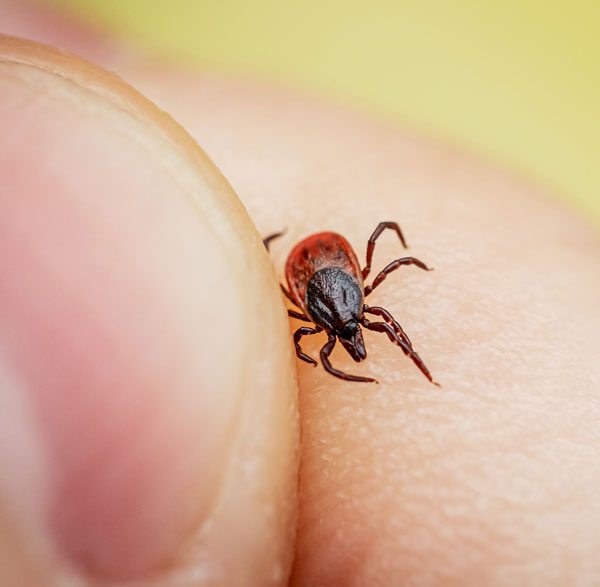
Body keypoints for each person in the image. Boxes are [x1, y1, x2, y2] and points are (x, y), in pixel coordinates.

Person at [1, 3, 600, 586]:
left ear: (362, 288)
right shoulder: (329, 309)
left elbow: (344, 317)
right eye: (347, 334)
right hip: (315, 262)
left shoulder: (349, 309)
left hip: (311, 263)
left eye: (351, 329)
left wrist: (358, 333)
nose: (351, 337)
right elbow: (326, 326)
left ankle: (424, 371)